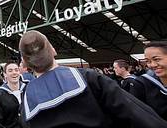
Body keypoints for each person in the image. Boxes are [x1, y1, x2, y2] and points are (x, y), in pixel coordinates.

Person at [19, 30, 167, 128]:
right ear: (53, 50)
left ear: (25, 63)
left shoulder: (26, 100)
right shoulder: (89, 78)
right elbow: (136, 114)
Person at [129, 41, 167, 120]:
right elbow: (138, 116)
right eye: (148, 61)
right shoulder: (141, 84)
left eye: (157, 59)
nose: (152, 65)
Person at [0, 62, 25, 128]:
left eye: (16, 70)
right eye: (10, 70)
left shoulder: (27, 89)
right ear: (5, 74)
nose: (14, 72)